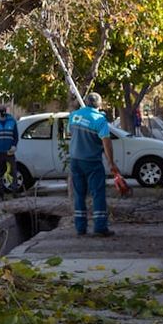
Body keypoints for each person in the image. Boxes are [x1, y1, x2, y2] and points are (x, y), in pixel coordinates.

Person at [68, 92, 120, 237]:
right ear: (99, 105)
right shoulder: (99, 119)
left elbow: (71, 134)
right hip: (92, 161)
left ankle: (80, 227)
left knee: (79, 194)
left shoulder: (74, 116)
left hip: (75, 160)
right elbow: (106, 142)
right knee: (98, 193)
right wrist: (111, 163)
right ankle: (100, 226)